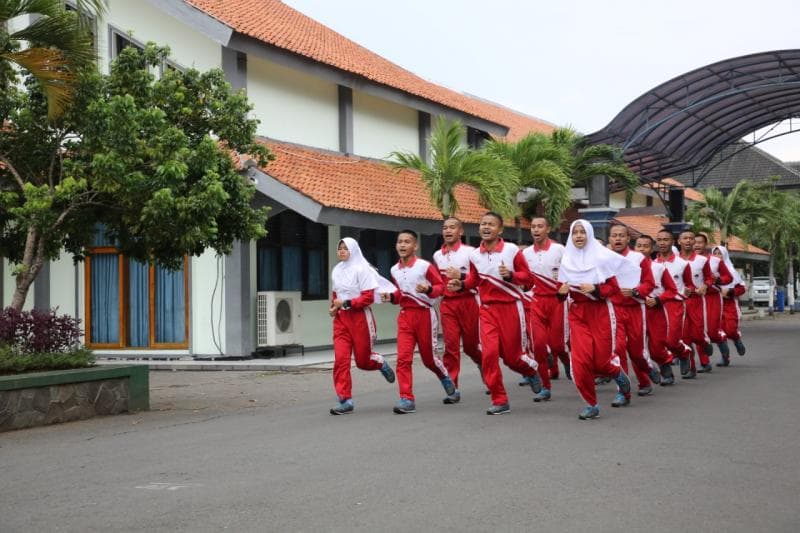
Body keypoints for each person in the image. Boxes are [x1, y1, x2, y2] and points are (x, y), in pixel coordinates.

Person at [446, 212, 542, 415]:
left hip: (511, 308)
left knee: (512, 358)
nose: (486, 227)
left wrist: (511, 276)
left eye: (491, 224)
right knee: (488, 355)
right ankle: (500, 399)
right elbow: (474, 280)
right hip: (488, 310)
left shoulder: (511, 250)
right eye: (483, 224)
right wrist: (461, 284)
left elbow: (529, 279)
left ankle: (531, 370)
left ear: (500, 230)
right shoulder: (474, 255)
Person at [556, 220, 636, 420]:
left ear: (590, 235)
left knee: (601, 362)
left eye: (583, 232)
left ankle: (617, 374)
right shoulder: (566, 260)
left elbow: (613, 288)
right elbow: (561, 292)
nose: (579, 236)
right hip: (577, 314)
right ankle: (590, 404)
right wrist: (560, 293)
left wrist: (596, 289)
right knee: (581, 361)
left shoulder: (601, 258)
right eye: (575, 232)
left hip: (600, 312)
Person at [382, 230, 454, 414]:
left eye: (407, 242)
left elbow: (441, 288)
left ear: (415, 246)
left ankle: (444, 376)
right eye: (400, 242)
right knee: (403, 359)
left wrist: (428, 289)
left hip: (425, 315)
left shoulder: (424, 266)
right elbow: (400, 294)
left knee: (429, 359)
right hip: (406, 316)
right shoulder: (394, 270)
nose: (403, 245)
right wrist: (390, 296)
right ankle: (407, 399)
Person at [329, 238, 397, 415]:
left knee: (362, 361)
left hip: (360, 318)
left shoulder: (362, 269)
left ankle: (380, 363)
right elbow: (336, 294)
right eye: (340, 248)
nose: (342, 251)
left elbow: (367, 297)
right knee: (341, 360)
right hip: (341, 320)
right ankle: (345, 400)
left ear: (353, 250)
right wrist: (334, 308)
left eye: (346, 248)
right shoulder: (336, 270)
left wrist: (347, 302)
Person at [608, 224, 662, 398]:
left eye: (621, 236)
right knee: (618, 348)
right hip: (613, 310)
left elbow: (649, 283)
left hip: (635, 309)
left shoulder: (638, 258)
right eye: (614, 235)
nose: (617, 239)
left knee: (636, 352)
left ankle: (646, 373)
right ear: (609, 239)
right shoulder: (604, 258)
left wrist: (635, 291)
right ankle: (623, 392)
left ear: (628, 239)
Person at [433, 217, 482, 404]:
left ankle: (481, 362)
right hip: (448, 305)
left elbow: (479, 277)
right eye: (445, 228)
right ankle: (452, 388)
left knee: (471, 346)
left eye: (452, 227)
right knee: (451, 347)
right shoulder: (438, 256)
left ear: (460, 231)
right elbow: (438, 282)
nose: (448, 231)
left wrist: (461, 277)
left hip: (469, 302)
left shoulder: (471, 253)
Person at [521, 217, 570, 399]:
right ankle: (545, 387)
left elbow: (570, 271)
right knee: (539, 346)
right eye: (533, 226)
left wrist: (567, 287)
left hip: (557, 301)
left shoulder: (559, 249)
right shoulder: (526, 253)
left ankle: (566, 361)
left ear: (547, 229)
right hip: (537, 301)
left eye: (540, 226)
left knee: (557, 344)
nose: (536, 229)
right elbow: (525, 279)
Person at [634, 235, 679, 385]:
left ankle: (665, 366)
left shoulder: (658, 268)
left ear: (651, 249)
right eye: (638, 245)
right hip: (634, 311)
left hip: (655, 311)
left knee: (656, 347)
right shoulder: (626, 266)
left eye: (645, 246)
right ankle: (644, 380)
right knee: (637, 348)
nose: (641, 249)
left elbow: (672, 290)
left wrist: (658, 299)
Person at [654, 230, 695, 378]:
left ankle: (684, 353)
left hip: (674, 304)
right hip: (656, 305)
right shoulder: (651, 264)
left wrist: (688, 291)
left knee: (671, 341)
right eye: (659, 240)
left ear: (673, 242)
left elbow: (689, 284)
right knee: (657, 343)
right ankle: (667, 373)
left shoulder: (683, 264)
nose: (662, 243)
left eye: (666, 239)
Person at [678, 230, 715, 374]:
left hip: (697, 300)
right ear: (679, 241)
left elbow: (710, 278)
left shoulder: (702, 260)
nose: (688, 241)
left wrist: (705, 286)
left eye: (691, 238)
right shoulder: (675, 260)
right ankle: (691, 367)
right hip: (680, 302)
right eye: (685, 238)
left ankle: (704, 343)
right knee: (685, 335)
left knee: (697, 333)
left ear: (694, 242)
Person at [694, 234, 734, 361]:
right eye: (694, 242)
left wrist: (718, 279)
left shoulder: (715, 260)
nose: (696, 245)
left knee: (711, 331)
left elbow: (728, 277)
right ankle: (705, 362)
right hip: (695, 299)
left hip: (712, 298)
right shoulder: (684, 261)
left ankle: (722, 342)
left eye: (700, 242)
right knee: (699, 331)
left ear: (705, 245)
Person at [712, 245, 748, 364]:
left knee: (731, 330)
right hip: (715, 304)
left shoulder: (731, 271)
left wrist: (730, 292)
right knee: (718, 332)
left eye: (719, 253)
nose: (717, 256)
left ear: (725, 255)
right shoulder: (710, 271)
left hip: (730, 304)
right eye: (715, 253)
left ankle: (736, 338)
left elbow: (742, 288)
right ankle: (725, 357)